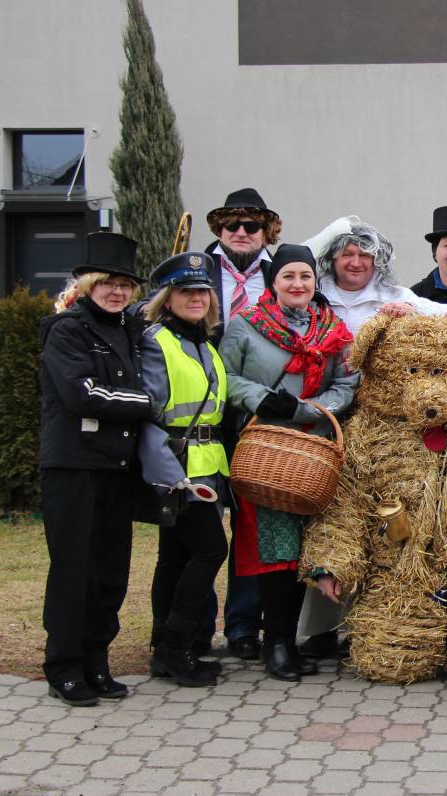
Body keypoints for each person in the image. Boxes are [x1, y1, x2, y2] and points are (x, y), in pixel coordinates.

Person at [220, 244, 358, 681]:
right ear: (273, 283)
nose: (298, 285)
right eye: (288, 277)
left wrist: (313, 408)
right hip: (267, 451)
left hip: (313, 451)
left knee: (307, 549)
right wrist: (266, 399)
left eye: (306, 277)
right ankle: (275, 643)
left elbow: (348, 381)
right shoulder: (245, 326)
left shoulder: (331, 330)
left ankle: (296, 638)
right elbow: (225, 377)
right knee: (275, 550)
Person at [39, 232, 155, 706]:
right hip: (73, 468)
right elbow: (83, 394)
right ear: (87, 284)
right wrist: (149, 404)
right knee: (74, 571)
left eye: (126, 284)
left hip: (115, 468)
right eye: (108, 282)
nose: (118, 291)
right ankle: (64, 667)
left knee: (111, 572)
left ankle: (97, 662)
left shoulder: (127, 329)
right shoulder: (67, 330)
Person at [139, 252, 231, 688]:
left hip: (207, 466)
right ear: (167, 297)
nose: (195, 298)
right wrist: (167, 476)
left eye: (201, 291)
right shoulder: (157, 341)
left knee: (173, 556)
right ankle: (177, 648)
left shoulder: (204, 342)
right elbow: (151, 413)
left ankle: (166, 648)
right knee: (211, 550)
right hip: (176, 468)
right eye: (185, 291)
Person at [203, 187, 283, 662]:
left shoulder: (282, 275)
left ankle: (243, 626)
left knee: (253, 523)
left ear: (265, 231)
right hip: (203, 413)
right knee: (202, 529)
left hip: (260, 413)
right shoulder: (195, 270)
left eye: (250, 225)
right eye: (231, 224)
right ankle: (191, 629)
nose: (240, 232)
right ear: (219, 229)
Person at [305, 215, 447, 334]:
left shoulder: (393, 296)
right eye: (347, 254)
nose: (356, 263)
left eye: (364, 255)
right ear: (332, 258)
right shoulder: (314, 296)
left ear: (377, 260)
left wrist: (414, 311)